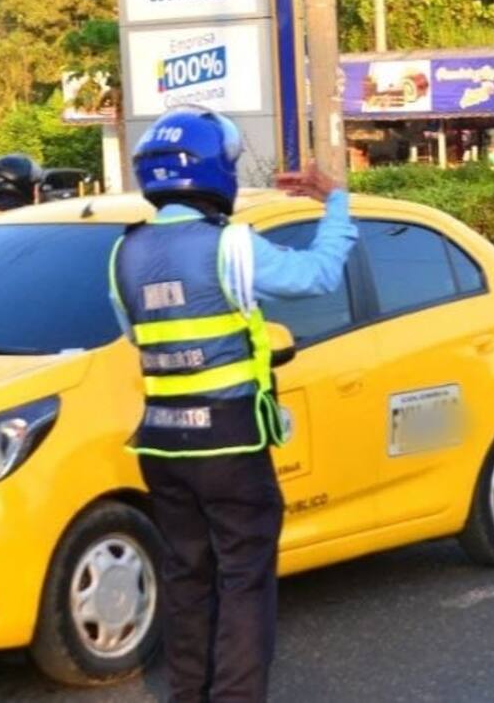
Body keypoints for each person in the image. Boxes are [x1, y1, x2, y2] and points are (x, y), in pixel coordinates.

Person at [109, 105, 356, 703]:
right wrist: (336, 203)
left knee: (186, 576)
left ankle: (188, 695)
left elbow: (135, 335)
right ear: (212, 169)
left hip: (162, 446)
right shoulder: (230, 245)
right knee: (244, 578)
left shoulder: (123, 254)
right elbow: (318, 276)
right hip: (230, 443)